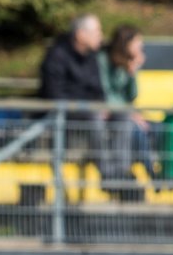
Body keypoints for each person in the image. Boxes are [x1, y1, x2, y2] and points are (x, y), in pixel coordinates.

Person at [38, 14, 130, 195]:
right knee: (94, 117)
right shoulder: (57, 56)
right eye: (97, 31)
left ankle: (121, 172)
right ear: (80, 35)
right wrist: (89, 106)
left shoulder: (92, 57)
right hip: (65, 120)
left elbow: (98, 90)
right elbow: (55, 95)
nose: (101, 36)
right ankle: (108, 175)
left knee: (122, 116)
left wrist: (102, 106)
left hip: (90, 113)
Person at [98, 24, 156, 183]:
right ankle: (150, 173)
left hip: (125, 113)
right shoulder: (103, 60)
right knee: (137, 130)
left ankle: (153, 172)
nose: (141, 47)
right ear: (126, 43)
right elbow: (105, 94)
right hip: (112, 115)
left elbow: (132, 95)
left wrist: (133, 71)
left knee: (155, 127)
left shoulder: (127, 64)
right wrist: (130, 113)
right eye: (137, 43)